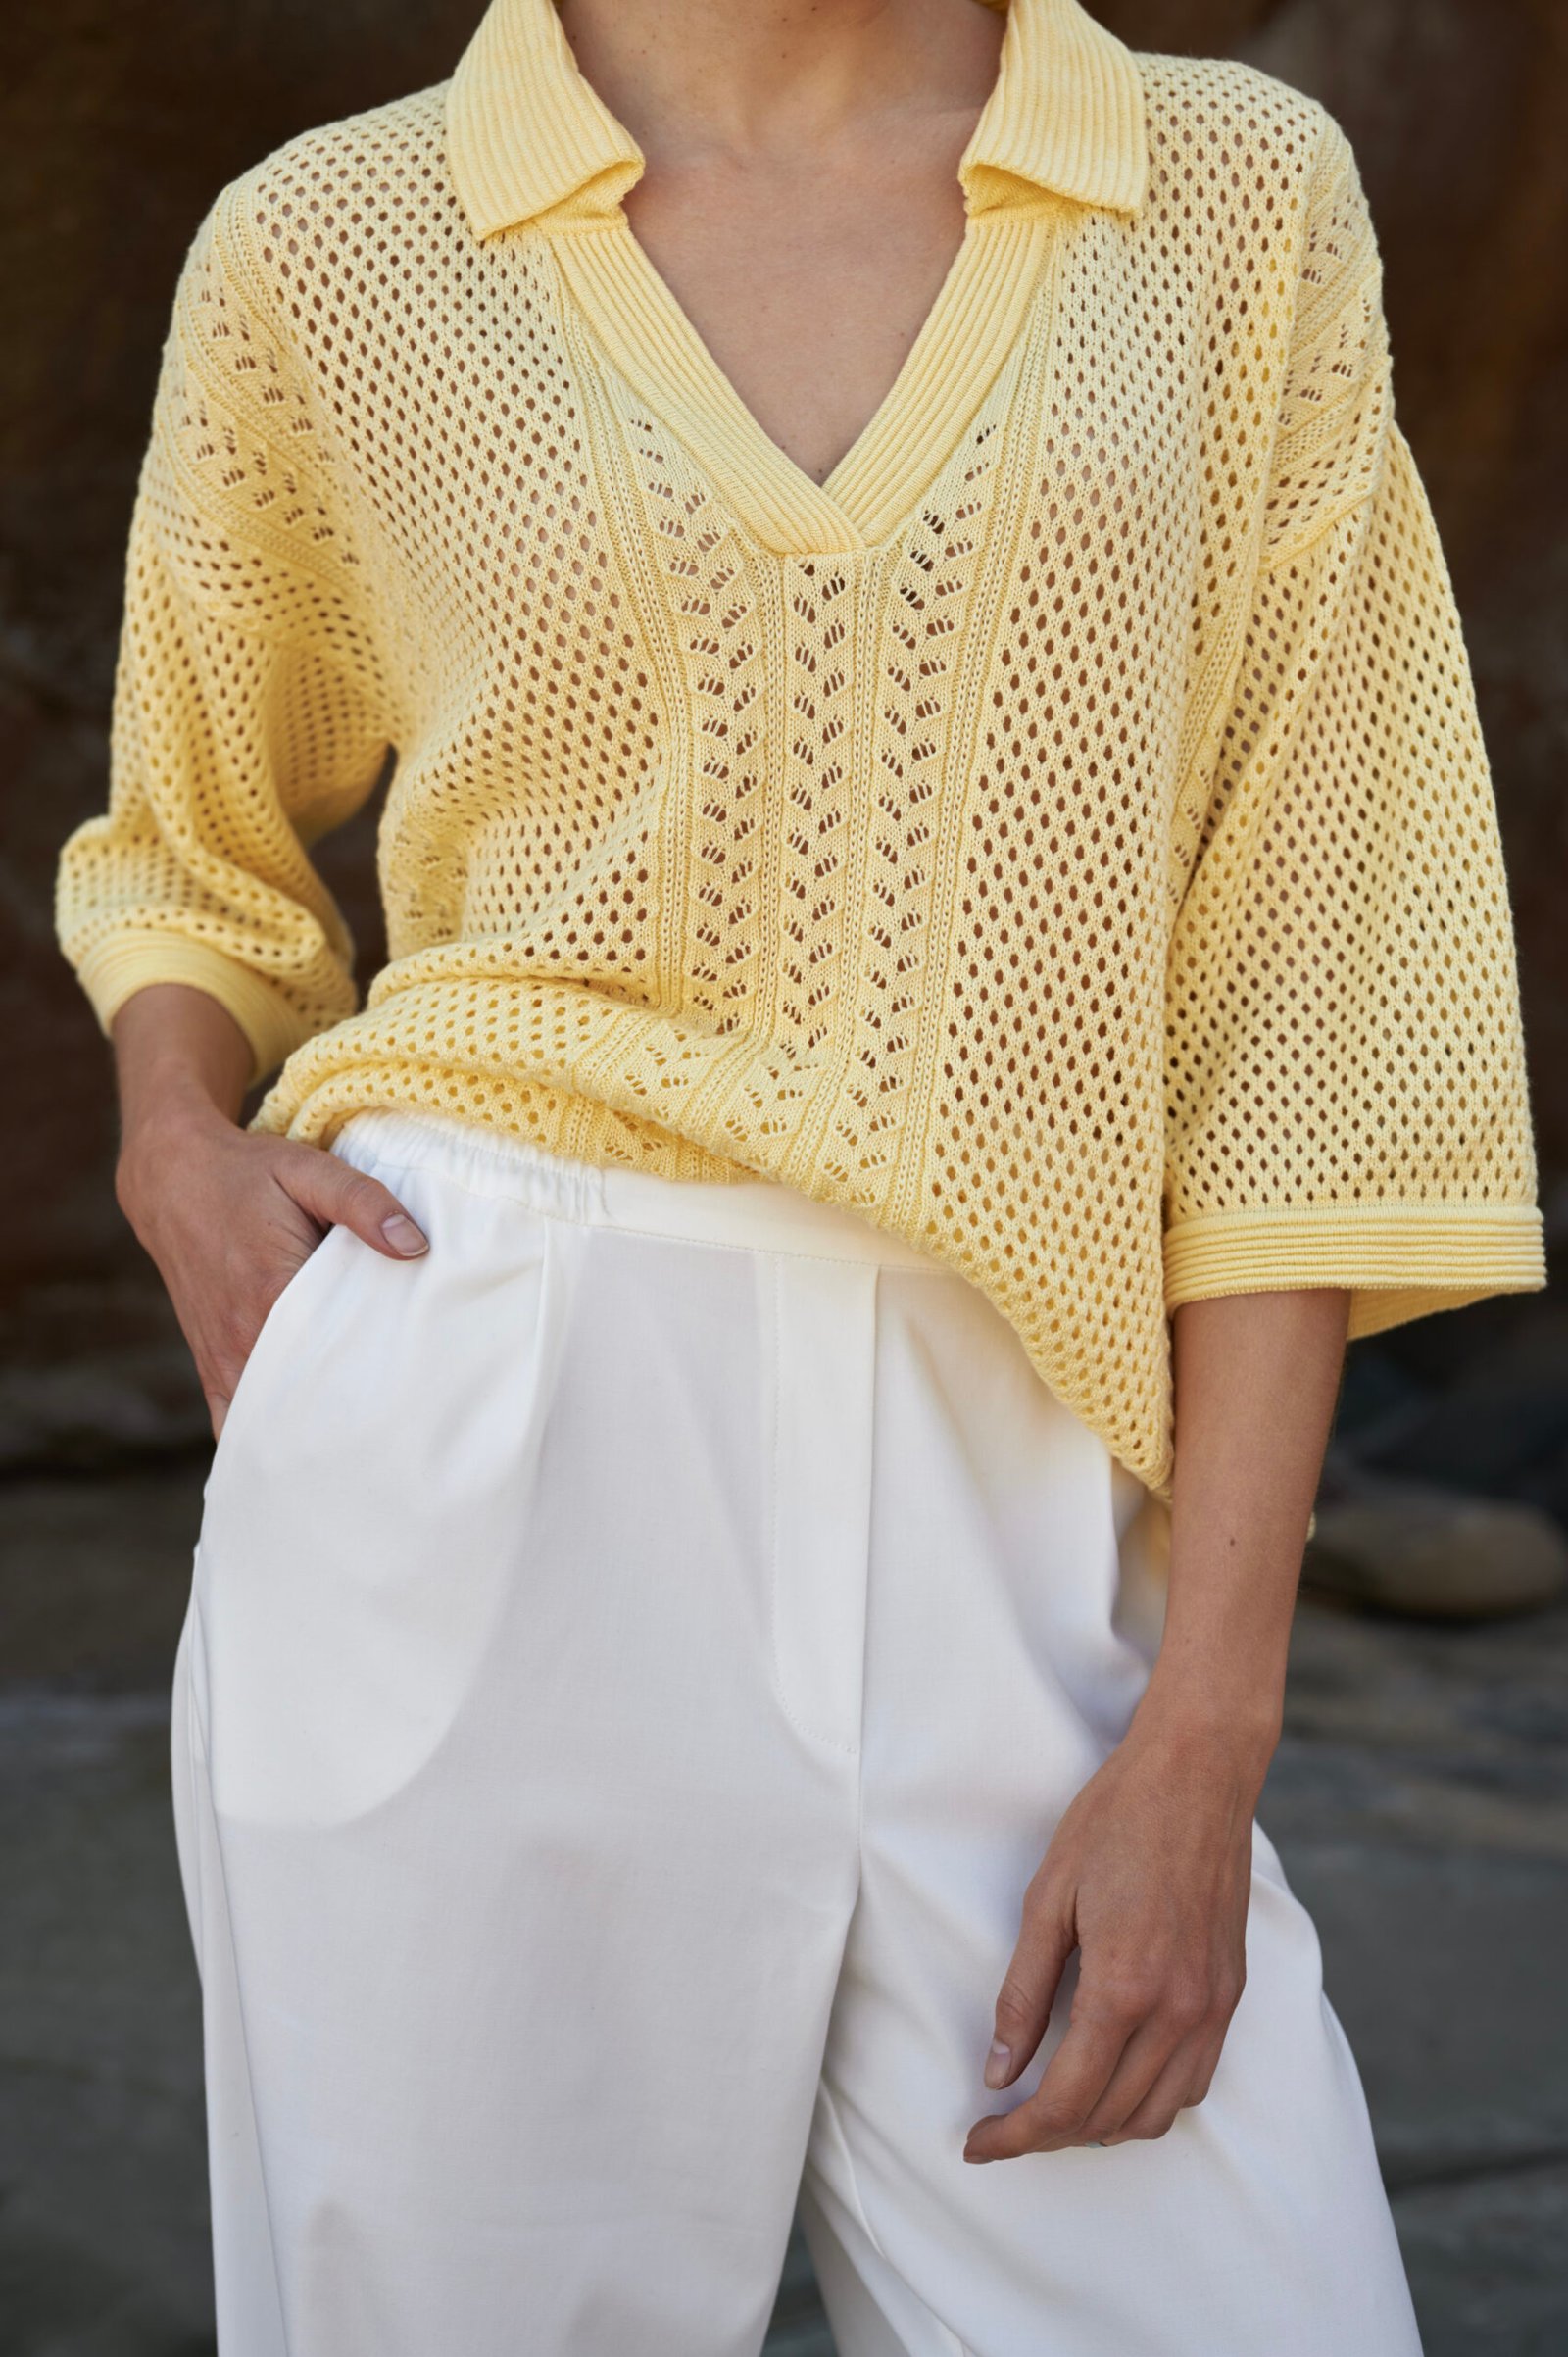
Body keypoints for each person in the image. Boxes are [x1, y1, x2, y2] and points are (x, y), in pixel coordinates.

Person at [54, 0, 1545, 2349]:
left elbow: (1302, 1001)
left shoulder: (1227, 201)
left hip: (1021, 1468)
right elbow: (191, 849)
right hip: (482, 1411)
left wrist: (1206, 1724)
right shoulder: (331, 244)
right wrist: (174, 1140)